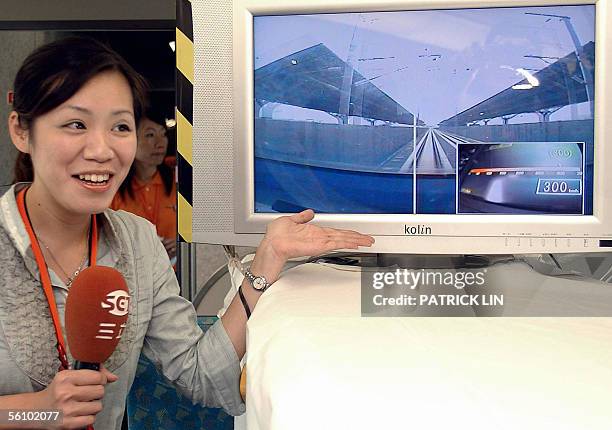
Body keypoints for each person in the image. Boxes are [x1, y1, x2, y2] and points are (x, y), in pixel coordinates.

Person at [0, 37, 374, 429]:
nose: (102, 149)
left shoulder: (137, 241)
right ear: (22, 132)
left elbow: (201, 375)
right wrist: (37, 409)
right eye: (76, 124)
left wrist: (269, 257)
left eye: (120, 126)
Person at [110, 110, 177, 261]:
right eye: (150, 135)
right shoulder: (113, 189)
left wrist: (181, 244)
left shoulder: (178, 185)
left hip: (178, 273)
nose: (160, 143)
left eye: (163, 134)